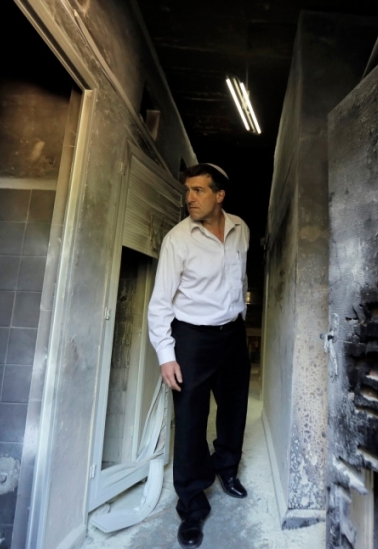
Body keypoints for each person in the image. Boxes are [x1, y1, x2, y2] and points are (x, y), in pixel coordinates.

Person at [147, 163, 251, 548]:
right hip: (191, 337)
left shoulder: (240, 228)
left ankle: (226, 468)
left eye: (198, 190)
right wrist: (166, 355)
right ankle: (192, 504)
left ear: (219, 195)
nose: (189, 197)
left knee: (234, 407)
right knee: (191, 418)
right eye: (187, 190)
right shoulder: (178, 239)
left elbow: (239, 281)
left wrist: (241, 314)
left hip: (232, 334)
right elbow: (160, 304)